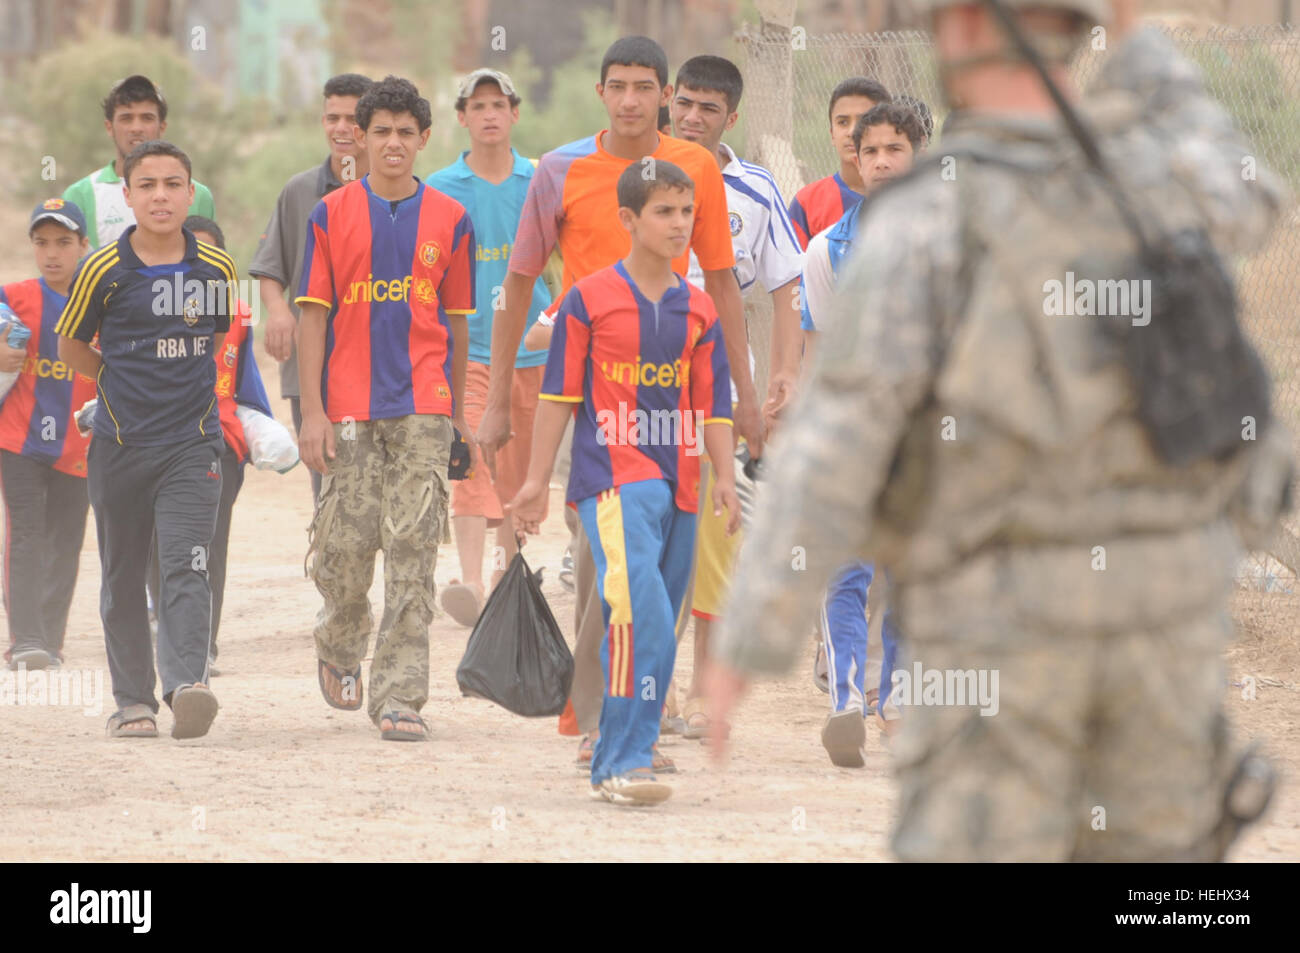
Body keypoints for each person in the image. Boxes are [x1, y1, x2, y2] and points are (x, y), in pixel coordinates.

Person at [708, 0, 1292, 861]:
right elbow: (1257, 199)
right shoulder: (1160, 167)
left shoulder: (928, 215)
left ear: (970, 30)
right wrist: (1146, 56)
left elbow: (842, 433)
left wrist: (752, 635)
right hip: (1163, 617)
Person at [475, 35, 745, 772]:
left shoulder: (694, 171)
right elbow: (521, 285)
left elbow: (720, 283)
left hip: (678, 395)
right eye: (617, 85)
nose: (631, 99)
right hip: (587, 394)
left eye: (644, 87)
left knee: (666, 570)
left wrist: (742, 395)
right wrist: (498, 399)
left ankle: (640, 715)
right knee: (607, 567)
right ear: (600, 91)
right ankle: (598, 718)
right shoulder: (560, 169)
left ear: (665, 93)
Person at [508, 159, 740, 805]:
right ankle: (626, 759)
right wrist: (535, 482)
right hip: (614, 477)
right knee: (641, 614)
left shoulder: (699, 309)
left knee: (654, 623)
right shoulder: (586, 299)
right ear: (629, 220)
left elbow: (711, 406)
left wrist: (723, 476)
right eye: (664, 211)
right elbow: (557, 396)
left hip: (684, 486)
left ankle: (615, 753)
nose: (679, 224)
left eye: (686, 212)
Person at [296, 75, 475, 743]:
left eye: (406, 132)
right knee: (345, 542)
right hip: (347, 405)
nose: (393, 142)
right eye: (381, 132)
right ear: (360, 141)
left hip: (425, 405)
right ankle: (341, 638)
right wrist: (312, 411)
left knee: (413, 543)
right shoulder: (331, 214)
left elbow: (456, 323)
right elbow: (313, 318)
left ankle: (400, 692)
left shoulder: (452, 219)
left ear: (424, 139)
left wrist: (456, 412)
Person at [57, 140, 235, 741]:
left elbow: (212, 339)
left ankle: (188, 685)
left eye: (173, 184)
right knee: (124, 575)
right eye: (148, 185)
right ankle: (133, 702)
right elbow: (71, 348)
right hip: (120, 445)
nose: (161, 195)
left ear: (192, 193)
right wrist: (120, 379)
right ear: (128, 195)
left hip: (193, 443)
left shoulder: (217, 269)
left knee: (188, 564)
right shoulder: (102, 270)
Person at [667, 54, 803, 740]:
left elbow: (786, 286)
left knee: (715, 534)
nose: (692, 118)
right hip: (634, 387)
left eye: (708, 109)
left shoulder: (754, 191)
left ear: (732, 119)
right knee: (645, 531)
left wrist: (781, 379)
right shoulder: (638, 176)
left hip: (717, 386)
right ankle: (647, 687)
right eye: (684, 103)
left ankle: (699, 687)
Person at [798, 102, 925, 764]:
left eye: (895, 148)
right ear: (854, 157)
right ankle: (846, 701)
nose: (880, 160)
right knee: (844, 571)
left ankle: (897, 702)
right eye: (869, 148)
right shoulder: (827, 250)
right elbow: (815, 354)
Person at [426, 68, 552, 627]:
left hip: (534, 349)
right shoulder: (439, 189)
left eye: (499, 104)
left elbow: (568, 262)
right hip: (469, 350)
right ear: (462, 118)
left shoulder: (543, 179)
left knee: (520, 475)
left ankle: (504, 584)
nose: (489, 115)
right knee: (472, 456)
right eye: (477, 106)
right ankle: (471, 581)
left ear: (515, 113)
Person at [145, 216, 275, 678]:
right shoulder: (145, 302)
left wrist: (261, 432)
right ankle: (168, 624)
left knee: (209, 545)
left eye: (208, 254)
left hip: (219, 443)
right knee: (158, 543)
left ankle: (202, 647)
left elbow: (246, 381)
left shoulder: (236, 312)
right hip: (154, 438)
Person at [250, 73, 373, 503]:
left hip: (379, 365)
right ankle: (330, 568)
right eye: (331, 117)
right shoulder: (299, 191)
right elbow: (271, 269)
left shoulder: (397, 189)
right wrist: (279, 311)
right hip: (312, 368)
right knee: (328, 483)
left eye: (353, 117)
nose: (341, 128)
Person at [0, 199, 95, 671]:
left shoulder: (104, 301)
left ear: (84, 245)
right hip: (20, 440)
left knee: (66, 540)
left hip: (81, 446)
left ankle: (51, 640)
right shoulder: (12, 296)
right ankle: (25, 640)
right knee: (26, 534)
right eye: (41, 243)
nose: (52, 253)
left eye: (63, 242)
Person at [63, 75, 215, 250]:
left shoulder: (197, 195)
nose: (136, 128)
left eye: (147, 118)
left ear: (162, 127)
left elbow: (209, 266)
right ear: (109, 127)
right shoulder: (80, 196)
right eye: (126, 118)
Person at [786, 77, 890, 249]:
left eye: (864, 120)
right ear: (832, 133)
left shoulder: (911, 198)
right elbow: (795, 273)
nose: (851, 131)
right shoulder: (807, 203)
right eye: (842, 122)